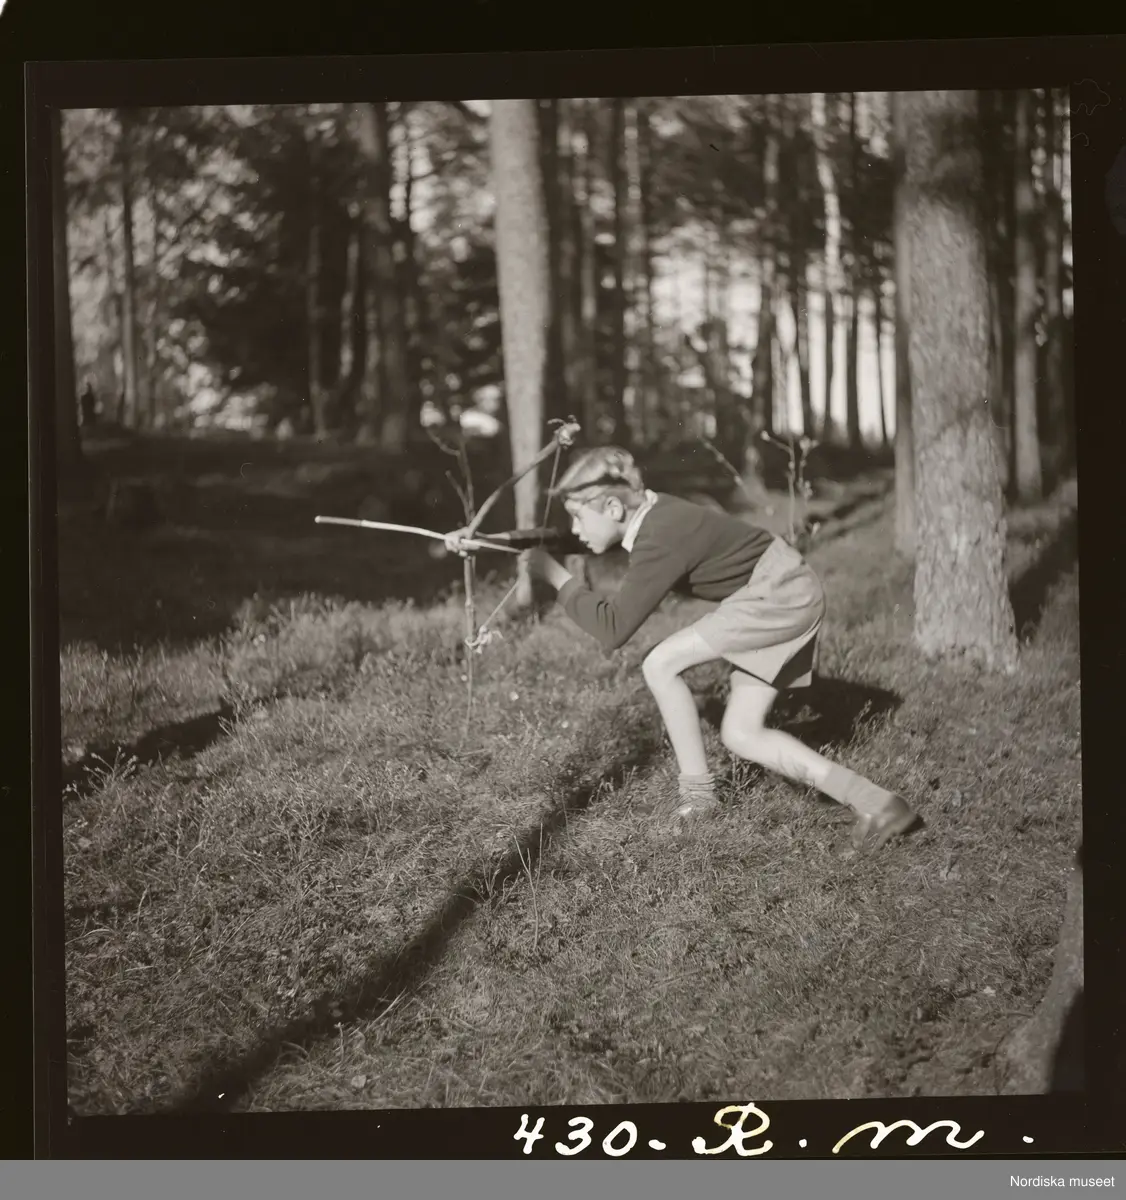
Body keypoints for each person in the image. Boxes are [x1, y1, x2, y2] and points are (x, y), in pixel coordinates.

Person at [446, 446, 918, 851]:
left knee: (661, 663)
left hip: (777, 593)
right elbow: (579, 539)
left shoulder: (661, 536)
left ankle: (698, 797)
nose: (574, 526)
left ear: (612, 506)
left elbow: (613, 628)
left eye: (577, 514)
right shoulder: (651, 515)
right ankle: (877, 804)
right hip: (782, 587)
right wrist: (490, 542)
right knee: (741, 734)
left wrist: (553, 575)